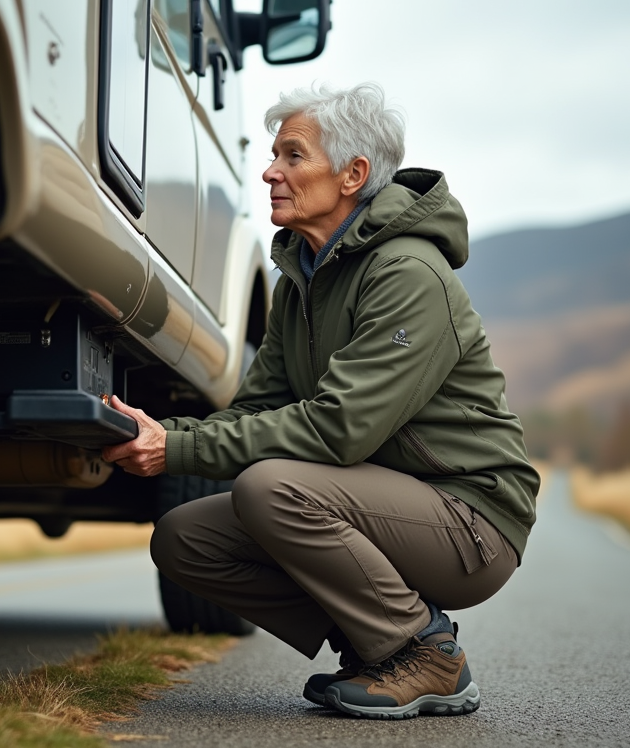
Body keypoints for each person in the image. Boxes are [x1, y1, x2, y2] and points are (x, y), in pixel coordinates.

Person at [101, 82, 539, 720]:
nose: (270, 170)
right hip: (378, 504)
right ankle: (375, 647)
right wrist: (157, 432)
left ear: (353, 174)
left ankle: (425, 654)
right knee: (183, 538)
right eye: (275, 155)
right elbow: (256, 411)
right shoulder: (302, 280)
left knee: (270, 487)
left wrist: (179, 449)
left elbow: (340, 431)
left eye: (293, 156)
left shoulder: (407, 275)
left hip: (470, 521)